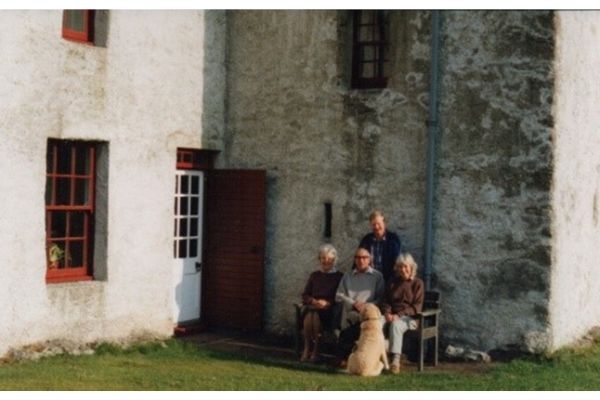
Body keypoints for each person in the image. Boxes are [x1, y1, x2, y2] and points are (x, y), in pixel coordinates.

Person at [334, 247, 385, 367]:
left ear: (369, 260)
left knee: (359, 323)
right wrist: (353, 303)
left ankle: (349, 357)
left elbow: (380, 298)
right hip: (351, 310)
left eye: (364, 258)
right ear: (355, 260)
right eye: (358, 258)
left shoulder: (377, 276)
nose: (361, 260)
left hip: (369, 314)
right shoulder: (348, 276)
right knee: (350, 317)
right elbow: (338, 295)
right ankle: (345, 358)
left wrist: (366, 306)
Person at [380, 253, 424, 374]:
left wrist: (399, 315)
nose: (402, 269)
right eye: (399, 266)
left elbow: (417, 306)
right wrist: (387, 312)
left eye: (405, 266)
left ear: (411, 267)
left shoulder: (417, 283)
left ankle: (395, 360)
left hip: (410, 318)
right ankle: (377, 354)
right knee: (377, 322)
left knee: (396, 325)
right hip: (392, 315)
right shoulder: (392, 281)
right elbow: (385, 300)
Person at [300, 244, 344, 362]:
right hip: (312, 307)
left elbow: (339, 296)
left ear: (334, 260)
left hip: (329, 311)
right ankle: (309, 349)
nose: (326, 261)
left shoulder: (339, 276)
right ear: (319, 259)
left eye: (329, 259)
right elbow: (305, 295)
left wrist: (327, 303)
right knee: (312, 314)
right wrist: (313, 301)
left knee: (314, 316)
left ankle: (314, 350)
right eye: (323, 258)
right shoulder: (315, 275)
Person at [359, 210, 401, 283]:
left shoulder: (393, 239)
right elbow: (358, 258)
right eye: (373, 224)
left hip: (388, 280)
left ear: (384, 223)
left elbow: (397, 261)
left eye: (379, 223)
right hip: (369, 280)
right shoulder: (366, 240)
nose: (376, 227)